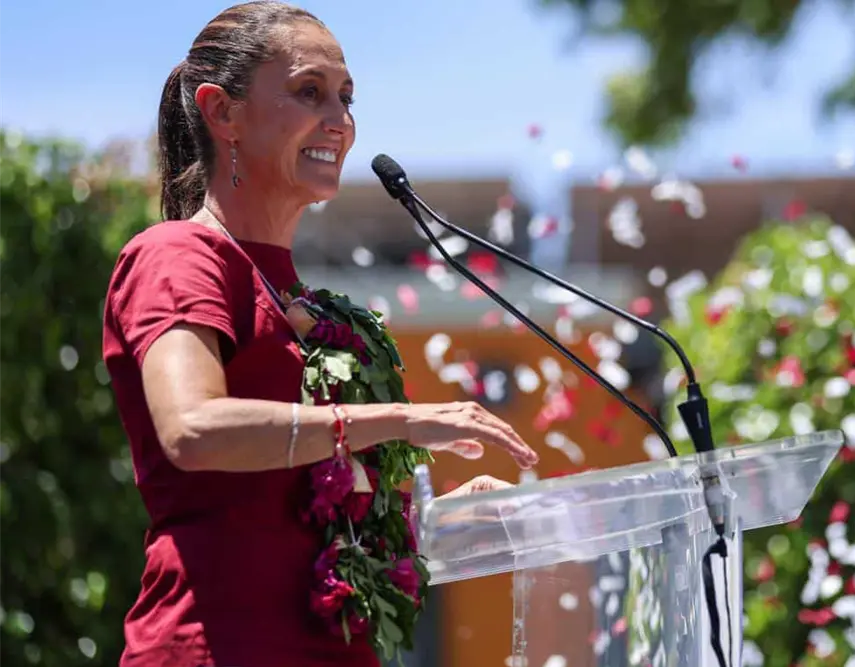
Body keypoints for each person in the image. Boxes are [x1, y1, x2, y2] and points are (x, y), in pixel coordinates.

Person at [100, 3, 539, 666]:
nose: (340, 122)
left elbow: (303, 523)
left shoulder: (299, 298)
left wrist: (436, 525)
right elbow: (191, 428)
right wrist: (401, 418)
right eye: (309, 93)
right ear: (223, 113)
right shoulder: (177, 256)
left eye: (346, 97)